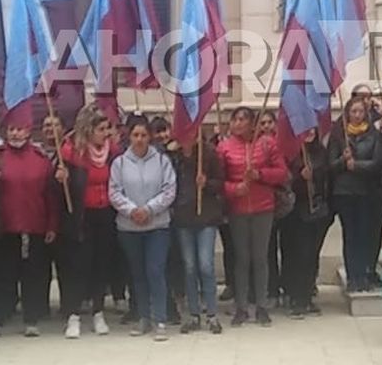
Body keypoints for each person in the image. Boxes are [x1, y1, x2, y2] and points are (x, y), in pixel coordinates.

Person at [0, 116, 58, 341]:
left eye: (19, 129)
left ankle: (31, 319)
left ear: (28, 132)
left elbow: (50, 196)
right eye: (11, 129)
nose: (15, 134)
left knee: (32, 276)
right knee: (3, 277)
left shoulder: (40, 159)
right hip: (5, 227)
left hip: (34, 226)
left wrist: (52, 224)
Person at [218, 107, 288, 327]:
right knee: (241, 259)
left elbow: (282, 173)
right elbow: (218, 181)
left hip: (262, 208)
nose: (238, 124)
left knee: (260, 258)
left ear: (252, 123)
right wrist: (233, 189)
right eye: (235, 119)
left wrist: (260, 175)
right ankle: (241, 307)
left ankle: (261, 306)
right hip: (237, 210)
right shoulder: (224, 147)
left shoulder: (267, 144)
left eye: (242, 119)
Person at [108, 116, 177, 340]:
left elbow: (169, 191)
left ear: (150, 137)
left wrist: (148, 209)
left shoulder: (161, 161)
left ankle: (160, 320)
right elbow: (114, 192)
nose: (139, 139)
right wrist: (131, 210)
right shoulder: (119, 163)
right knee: (137, 274)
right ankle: (143, 317)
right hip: (129, 228)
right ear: (129, 135)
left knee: (155, 271)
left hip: (157, 226)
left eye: (143, 135)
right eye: (135, 135)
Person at [58, 107, 119, 339]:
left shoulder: (113, 152)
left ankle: (98, 312)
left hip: (106, 215)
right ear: (88, 130)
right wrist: (60, 179)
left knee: (100, 264)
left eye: (107, 129)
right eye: (101, 129)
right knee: (79, 267)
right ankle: (73, 316)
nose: (106, 133)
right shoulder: (70, 153)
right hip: (81, 217)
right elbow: (57, 191)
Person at [170, 129, 225, 334]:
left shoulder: (208, 154)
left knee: (206, 265)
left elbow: (220, 183)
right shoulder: (174, 157)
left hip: (206, 217)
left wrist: (207, 183)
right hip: (183, 218)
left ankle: (212, 314)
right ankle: (193, 314)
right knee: (189, 267)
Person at [330, 97, 382, 292]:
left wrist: (357, 166)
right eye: (353, 112)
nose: (357, 115)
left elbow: (377, 162)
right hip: (344, 192)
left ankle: (363, 274)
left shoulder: (373, 134)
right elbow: (330, 166)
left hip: (366, 191)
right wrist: (342, 161)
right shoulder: (339, 134)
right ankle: (353, 276)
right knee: (350, 235)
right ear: (347, 113)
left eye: (361, 112)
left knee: (364, 234)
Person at [285, 128, 330, 320]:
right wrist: (299, 178)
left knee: (312, 255)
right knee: (299, 255)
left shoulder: (322, 152)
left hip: (318, 213)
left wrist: (316, 178)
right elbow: (285, 180)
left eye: (312, 128)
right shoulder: (292, 153)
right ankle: (296, 297)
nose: (310, 132)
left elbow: (329, 178)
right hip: (297, 213)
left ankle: (308, 294)